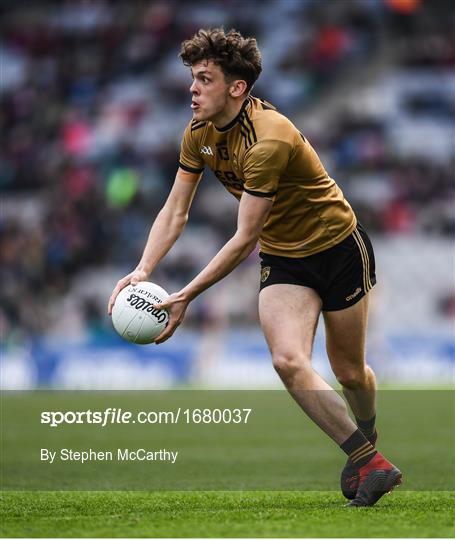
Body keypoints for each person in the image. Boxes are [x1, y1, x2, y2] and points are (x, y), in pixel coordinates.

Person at [108, 28, 402, 506]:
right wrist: (143, 270)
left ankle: (365, 443)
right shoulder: (197, 133)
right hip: (285, 258)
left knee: (349, 372)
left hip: (338, 248)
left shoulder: (268, 139)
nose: (193, 88)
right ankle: (371, 461)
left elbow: (243, 237)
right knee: (288, 360)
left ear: (237, 87)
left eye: (204, 78)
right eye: (192, 78)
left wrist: (185, 296)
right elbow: (176, 210)